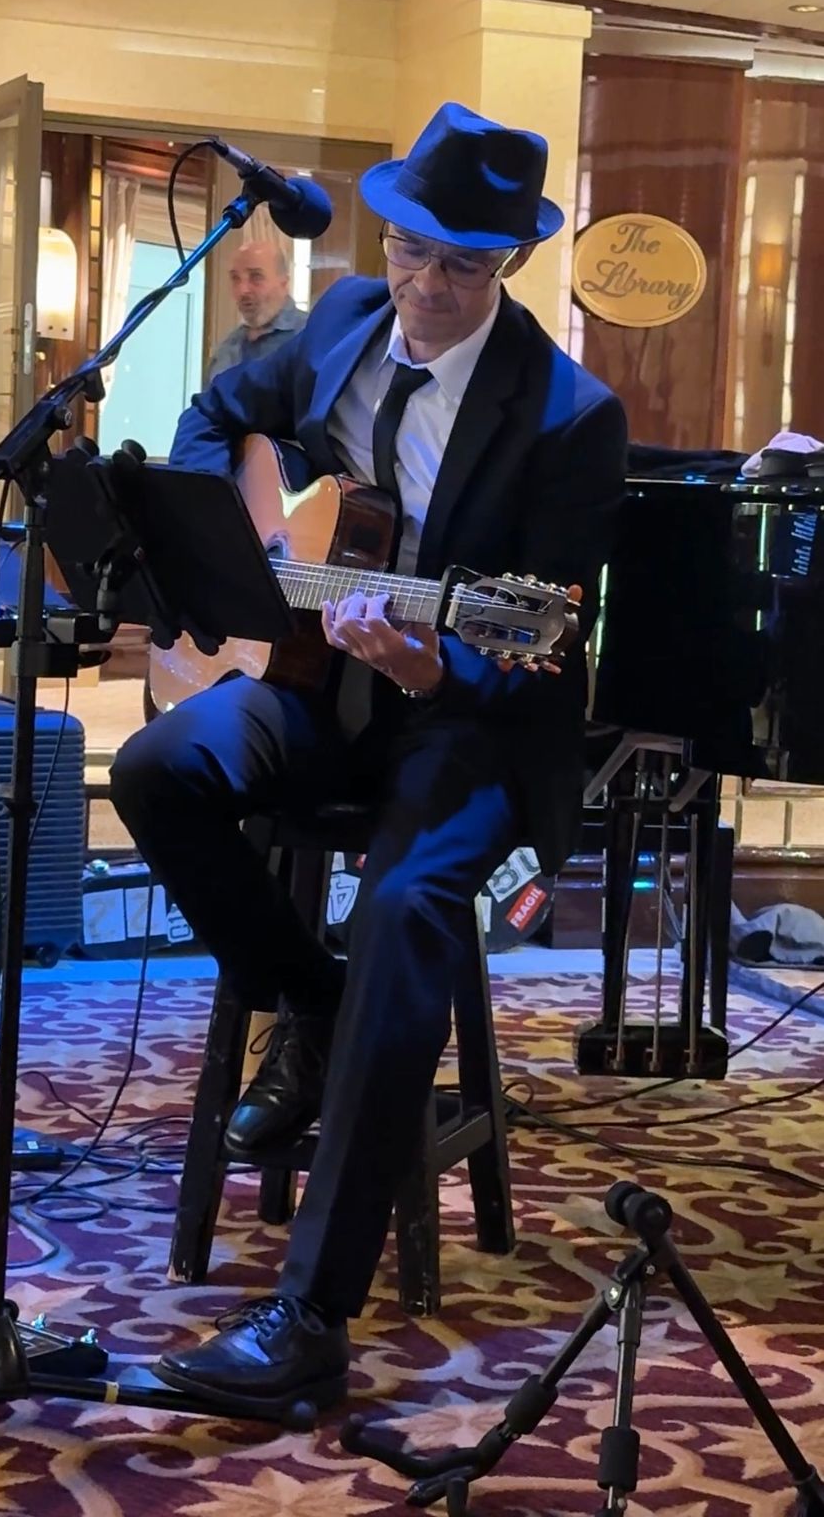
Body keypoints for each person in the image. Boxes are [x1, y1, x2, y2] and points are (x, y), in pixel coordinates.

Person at [111, 101, 628, 1421]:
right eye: (409, 250)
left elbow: (547, 643)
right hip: (311, 681)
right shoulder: (339, 319)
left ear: (512, 262)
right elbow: (216, 414)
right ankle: (316, 1004)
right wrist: (246, 556)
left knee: (405, 907)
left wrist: (432, 663)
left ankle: (311, 1317)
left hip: (472, 724)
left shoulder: (570, 416)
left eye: (463, 263)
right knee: (159, 768)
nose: (426, 286)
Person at [206, 238, 306, 381]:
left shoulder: (312, 336)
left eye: (256, 276)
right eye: (235, 278)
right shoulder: (225, 351)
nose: (243, 290)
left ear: (284, 283)